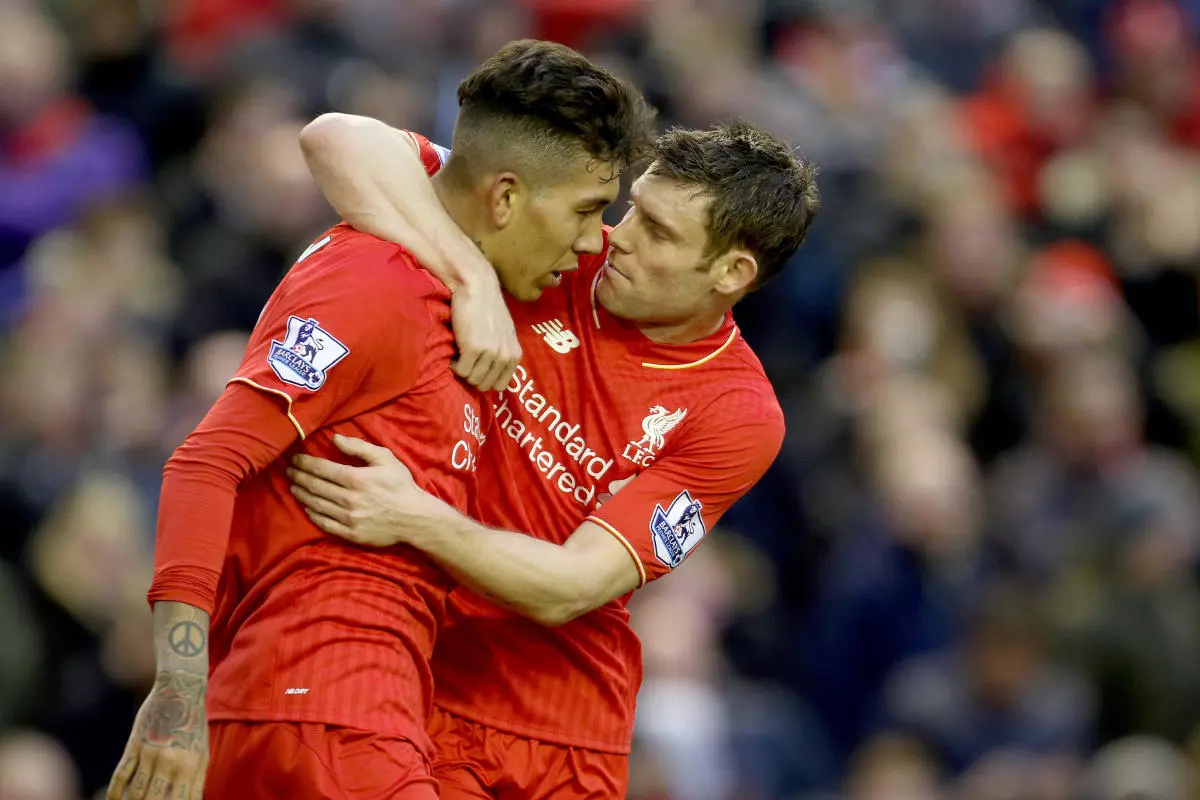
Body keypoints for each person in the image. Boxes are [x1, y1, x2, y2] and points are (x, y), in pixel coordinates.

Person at [106, 40, 654, 800]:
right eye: (587, 210)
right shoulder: (377, 284)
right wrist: (176, 693)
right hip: (325, 711)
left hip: (330, 710)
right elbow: (206, 463)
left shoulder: (443, 288)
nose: (596, 241)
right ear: (504, 199)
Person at [288, 117, 820, 798]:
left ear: (731, 272)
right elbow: (335, 139)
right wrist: (473, 278)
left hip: (556, 732)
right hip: (413, 674)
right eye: (633, 208)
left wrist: (414, 516)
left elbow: (571, 585)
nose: (618, 235)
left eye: (658, 232)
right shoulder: (548, 246)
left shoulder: (737, 415)